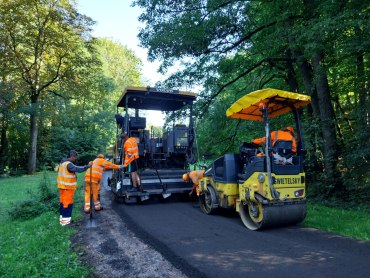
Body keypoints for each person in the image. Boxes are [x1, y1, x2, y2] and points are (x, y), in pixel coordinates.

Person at [57, 150, 92, 226]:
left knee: (63, 203)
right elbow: (77, 169)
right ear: (72, 156)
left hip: (62, 187)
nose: (75, 159)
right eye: (75, 157)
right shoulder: (68, 164)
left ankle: (62, 221)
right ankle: (65, 223)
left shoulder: (62, 163)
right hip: (67, 188)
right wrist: (87, 166)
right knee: (67, 204)